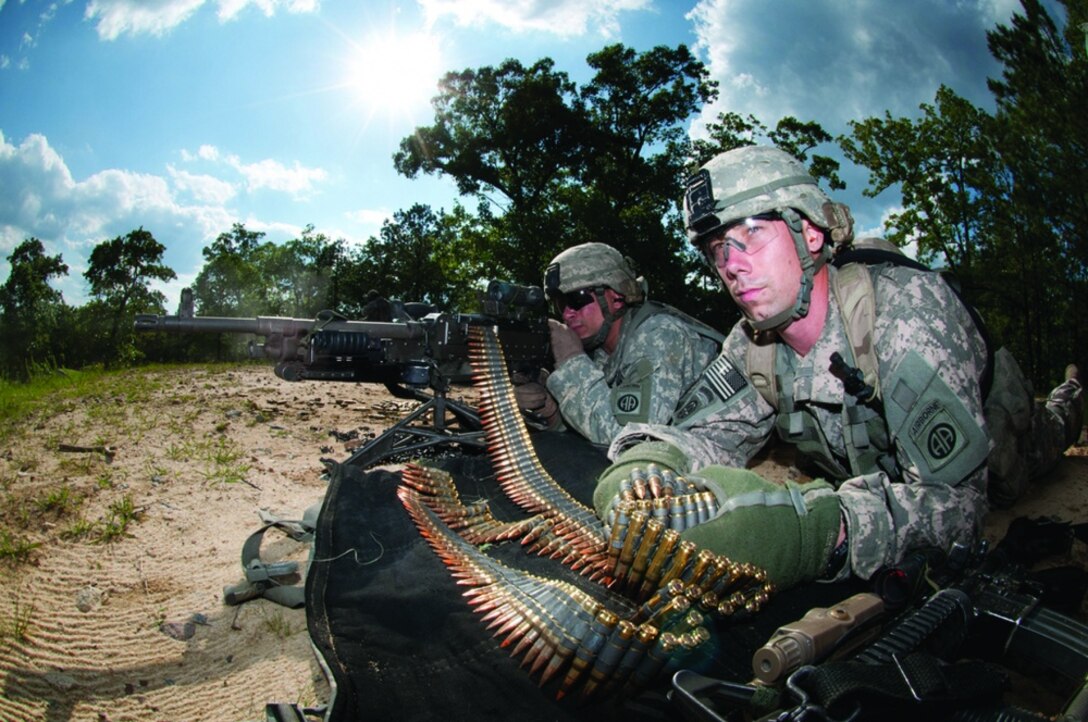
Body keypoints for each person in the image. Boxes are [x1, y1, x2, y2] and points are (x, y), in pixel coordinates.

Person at [593, 145, 1084, 591]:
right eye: (717, 249)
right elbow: (708, 432)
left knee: (1047, 436)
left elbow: (957, 507)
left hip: (1002, 437)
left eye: (752, 235)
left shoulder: (906, 312)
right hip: (877, 474)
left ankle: (1073, 391)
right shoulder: (752, 344)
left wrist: (821, 532)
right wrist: (649, 461)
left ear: (809, 231)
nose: (732, 265)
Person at [513, 242, 723, 446]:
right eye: (560, 303)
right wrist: (550, 411)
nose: (567, 313)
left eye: (577, 299)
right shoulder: (601, 352)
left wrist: (570, 362)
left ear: (616, 297)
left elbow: (627, 439)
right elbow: (589, 431)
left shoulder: (659, 335)